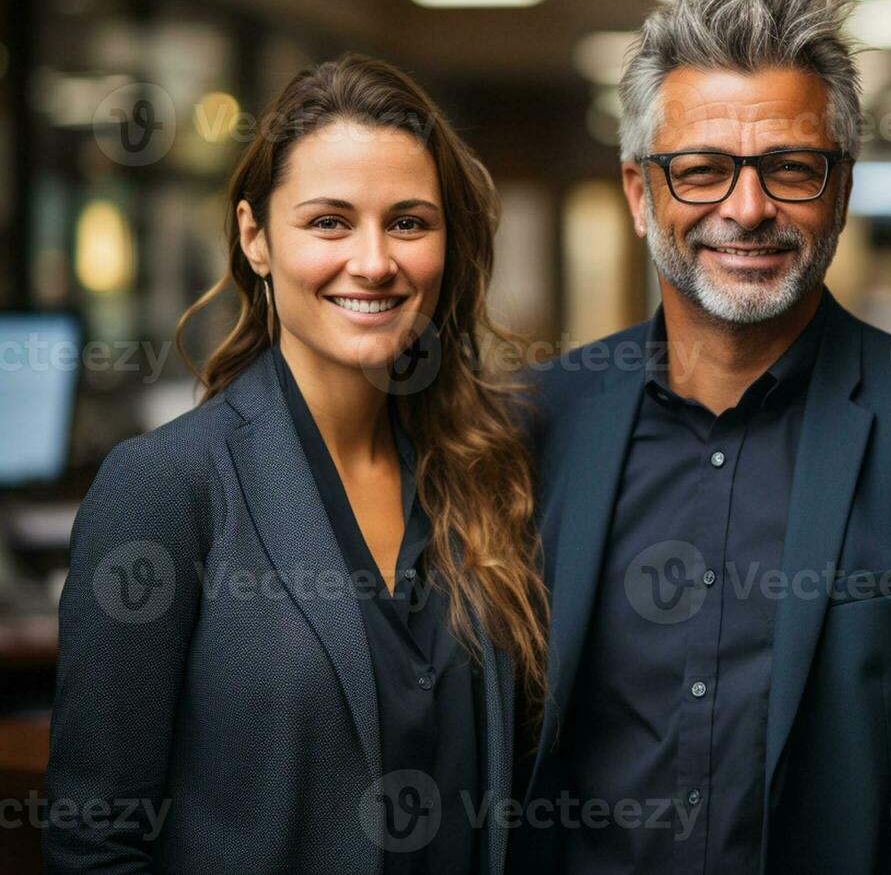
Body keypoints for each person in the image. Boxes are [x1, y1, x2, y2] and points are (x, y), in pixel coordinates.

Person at [509, 0, 891, 875]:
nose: (746, 210)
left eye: (790, 169)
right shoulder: (534, 424)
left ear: (839, 189)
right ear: (641, 194)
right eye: (703, 170)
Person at [46, 54, 546, 874]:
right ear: (256, 237)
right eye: (329, 222)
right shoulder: (167, 490)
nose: (376, 261)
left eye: (410, 222)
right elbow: (95, 843)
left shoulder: (477, 475)